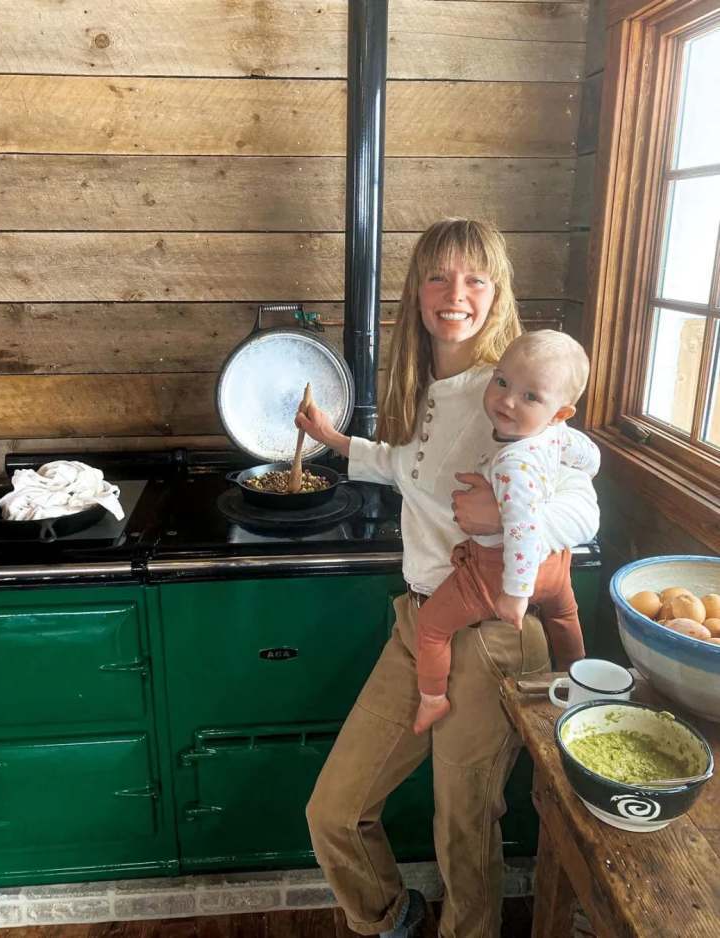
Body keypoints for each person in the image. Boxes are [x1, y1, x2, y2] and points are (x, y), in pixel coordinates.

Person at [298, 219, 599, 938]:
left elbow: (586, 506)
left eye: (474, 279)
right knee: (334, 811)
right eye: (438, 275)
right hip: (421, 621)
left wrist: (510, 515)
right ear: (417, 290)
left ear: (498, 293)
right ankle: (393, 918)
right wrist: (334, 441)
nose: (454, 293)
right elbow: (405, 463)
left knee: (464, 828)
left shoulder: (514, 391)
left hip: (491, 633)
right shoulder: (434, 389)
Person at [413, 329, 600, 735]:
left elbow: (522, 528)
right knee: (564, 615)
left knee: (430, 626)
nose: (507, 400)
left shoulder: (513, 464)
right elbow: (589, 456)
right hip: (556, 568)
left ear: (560, 411)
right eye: (501, 382)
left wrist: (515, 593)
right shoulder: (557, 433)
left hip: (498, 572)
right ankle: (579, 681)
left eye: (530, 396)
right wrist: (584, 469)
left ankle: (432, 700)